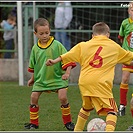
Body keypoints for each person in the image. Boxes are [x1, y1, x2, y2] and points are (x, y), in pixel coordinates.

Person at [46, 22, 133, 131]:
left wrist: (53, 61)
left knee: (86, 108)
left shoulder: (83, 45)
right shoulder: (114, 47)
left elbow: (67, 55)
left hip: (84, 82)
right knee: (112, 111)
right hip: (101, 83)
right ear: (108, 35)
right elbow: (130, 58)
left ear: (93, 35)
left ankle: (77, 130)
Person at [24, 18, 76, 131]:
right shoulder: (35, 49)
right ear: (35, 33)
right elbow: (33, 65)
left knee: (63, 97)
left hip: (58, 78)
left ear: (50, 31)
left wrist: (67, 73)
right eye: (41, 33)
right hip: (41, 79)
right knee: (33, 97)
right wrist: (32, 79)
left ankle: (68, 123)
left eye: (47, 33)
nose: (44, 36)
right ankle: (34, 123)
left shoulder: (57, 45)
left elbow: (68, 59)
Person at [118, 1, 133, 117]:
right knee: (125, 79)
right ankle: (122, 105)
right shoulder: (125, 23)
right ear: (128, 11)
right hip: (128, 56)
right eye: (132, 9)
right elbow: (121, 38)